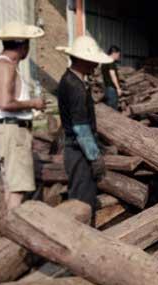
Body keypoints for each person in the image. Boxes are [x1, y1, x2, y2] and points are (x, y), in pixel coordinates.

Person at [0, 21, 46, 213]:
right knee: (18, 190)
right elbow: (5, 103)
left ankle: (7, 233)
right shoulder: (6, 67)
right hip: (13, 131)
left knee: (10, 187)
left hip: (5, 130)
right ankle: (14, 233)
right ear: (23, 45)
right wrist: (33, 103)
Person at [56, 36, 113, 223]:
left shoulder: (72, 81)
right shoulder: (74, 86)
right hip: (78, 151)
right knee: (82, 203)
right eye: (92, 60)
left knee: (82, 197)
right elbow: (80, 127)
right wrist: (94, 156)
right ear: (81, 60)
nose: (96, 64)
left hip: (75, 149)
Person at [101, 45, 122, 110]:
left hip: (107, 87)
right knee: (113, 109)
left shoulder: (104, 62)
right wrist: (118, 88)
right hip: (112, 89)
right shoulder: (111, 62)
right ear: (114, 53)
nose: (118, 56)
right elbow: (112, 75)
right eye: (118, 54)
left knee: (108, 108)